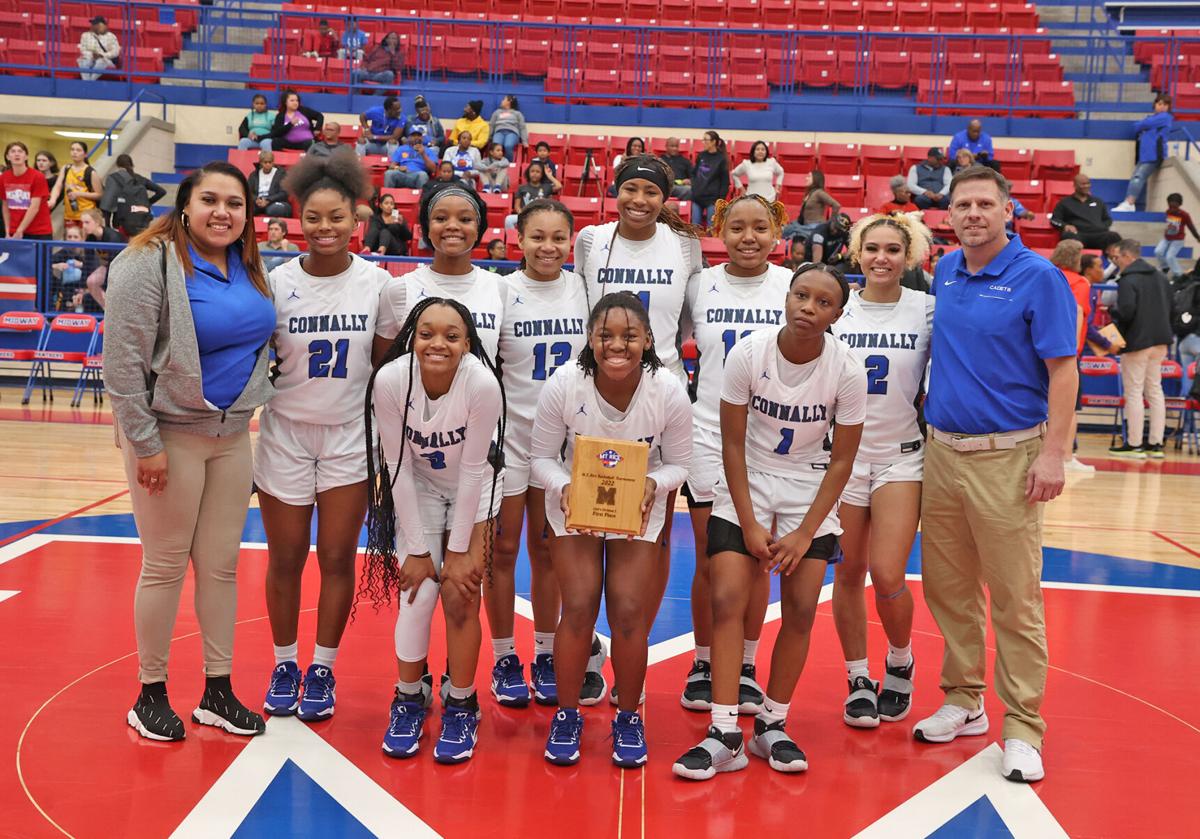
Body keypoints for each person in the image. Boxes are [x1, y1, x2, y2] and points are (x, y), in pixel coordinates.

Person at [914, 165, 1079, 784]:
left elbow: (1064, 371)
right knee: (947, 587)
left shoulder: (1039, 277)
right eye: (963, 205)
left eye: (986, 204)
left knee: (1014, 596)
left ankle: (1024, 726)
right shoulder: (948, 271)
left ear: (1009, 211)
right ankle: (964, 699)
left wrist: (1054, 453)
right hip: (942, 453)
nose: (973, 214)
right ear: (948, 214)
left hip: (1009, 456)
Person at [671, 263, 865, 781]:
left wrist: (805, 532)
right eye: (801, 295)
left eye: (823, 302)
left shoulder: (847, 369)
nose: (808, 307)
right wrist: (751, 522)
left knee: (801, 609)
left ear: (837, 314)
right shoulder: (749, 353)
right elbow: (731, 443)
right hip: (750, 475)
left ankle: (772, 724)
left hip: (809, 482)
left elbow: (843, 461)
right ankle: (724, 730)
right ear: (787, 297)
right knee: (728, 597)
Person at [104, 160, 276, 742]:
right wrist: (145, 443)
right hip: (169, 438)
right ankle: (149, 692)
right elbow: (122, 365)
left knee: (222, 568)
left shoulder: (250, 266)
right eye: (210, 199)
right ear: (185, 205)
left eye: (235, 202)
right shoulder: (145, 263)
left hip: (232, 438)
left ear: (248, 214)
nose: (222, 211)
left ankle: (217, 691)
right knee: (165, 565)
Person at [256, 149, 402, 724]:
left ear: (355, 222)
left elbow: (384, 366)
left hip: (347, 436)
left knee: (337, 555)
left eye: (336, 217)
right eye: (313, 218)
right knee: (286, 557)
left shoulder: (377, 285)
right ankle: (284, 662)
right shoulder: (274, 283)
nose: (324, 228)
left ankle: (322, 667)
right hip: (285, 433)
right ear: (298, 219)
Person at [533, 292, 692, 767]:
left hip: (638, 507)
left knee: (626, 612)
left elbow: (680, 463)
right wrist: (562, 485)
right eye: (606, 334)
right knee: (578, 606)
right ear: (590, 337)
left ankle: (627, 715)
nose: (616, 344)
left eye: (629, 335)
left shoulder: (666, 389)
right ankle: (567, 715)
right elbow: (540, 457)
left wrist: (651, 483)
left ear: (648, 340)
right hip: (573, 505)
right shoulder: (565, 382)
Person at [573, 155, 704, 704]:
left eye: (651, 191)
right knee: (579, 527)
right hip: (593, 393)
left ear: (665, 197)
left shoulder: (685, 246)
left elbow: (693, 324)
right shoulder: (589, 240)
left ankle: (633, 643)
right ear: (615, 191)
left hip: (660, 397)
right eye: (630, 189)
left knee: (650, 533)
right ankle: (585, 653)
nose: (639, 200)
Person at [365, 294, 505, 763]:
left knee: (461, 593)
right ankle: (408, 697)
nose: (437, 343)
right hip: (418, 483)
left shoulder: (482, 385)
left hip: (476, 486)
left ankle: (462, 703)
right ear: (411, 337)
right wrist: (421, 552)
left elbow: (471, 473)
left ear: (468, 344)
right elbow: (396, 466)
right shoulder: (390, 380)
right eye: (426, 333)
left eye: (451, 335)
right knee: (418, 590)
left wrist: (461, 549)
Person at [679, 195, 793, 716]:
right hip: (707, 432)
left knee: (758, 556)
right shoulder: (699, 284)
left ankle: (745, 663)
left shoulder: (792, 285)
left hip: (770, 439)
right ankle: (704, 661)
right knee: (712, 554)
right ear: (719, 231)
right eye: (738, 228)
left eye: (760, 228)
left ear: (777, 232)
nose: (749, 237)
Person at [829, 213, 934, 730]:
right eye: (872, 248)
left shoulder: (927, 309)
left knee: (888, 572)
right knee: (846, 573)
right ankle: (857, 678)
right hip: (844, 458)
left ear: (908, 256)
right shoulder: (837, 311)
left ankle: (900, 660)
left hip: (901, 454)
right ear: (857, 252)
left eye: (893, 249)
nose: (882, 258)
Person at [487, 199, 589, 709]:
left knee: (549, 553)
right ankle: (505, 655)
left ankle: (546, 651)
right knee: (501, 552)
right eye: (537, 237)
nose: (547, 247)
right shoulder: (502, 291)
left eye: (557, 237)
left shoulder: (583, 289)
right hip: (511, 441)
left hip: (567, 445)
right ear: (518, 241)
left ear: (570, 242)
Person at [397, 184, 500, 358]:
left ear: (478, 230)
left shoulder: (500, 288)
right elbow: (384, 360)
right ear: (427, 229)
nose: (452, 225)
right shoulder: (399, 289)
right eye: (441, 218)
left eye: (465, 219)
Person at [1107, 238, 1174, 459]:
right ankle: (1156, 444)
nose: (1117, 262)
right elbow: (1172, 307)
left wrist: (1112, 314)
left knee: (1134, 392)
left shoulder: (1128, 279)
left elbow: (1126, 311)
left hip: (1137, 342)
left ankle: (1134, 444)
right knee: (1155, 391)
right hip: (1161, 340)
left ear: (1127, 256)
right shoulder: (1161, 277)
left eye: (1118, 258)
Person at [1048, 239, 1102, 474]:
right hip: (1065, 353)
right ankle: (1067, 457)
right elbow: (1078, 312)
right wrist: (1072, 350)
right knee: (1069, 408)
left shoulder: (1048, 274)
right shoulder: (1080, 282)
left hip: (1040, 350)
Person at [1114, 94, 1174, 212]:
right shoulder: (1153, 119)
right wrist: (1145, 124)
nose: (1162, 107)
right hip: (1145, 155)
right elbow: (1136, 127)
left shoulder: (1165, 117)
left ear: (1168, 107)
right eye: (1159, 104)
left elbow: (1141, 125)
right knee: (1135, 177)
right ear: (1154, 105)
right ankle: (1128, 203)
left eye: (1165, 105)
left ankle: (1130, 203)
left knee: (1138, 177)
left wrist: (1145, 124)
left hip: (1155, 154)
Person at [100, 153, 166, 236]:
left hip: (121, 222)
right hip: (141, 221)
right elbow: (161, 191)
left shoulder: (114, 178)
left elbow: (107, 202)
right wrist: (147, 203)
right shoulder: (140, 179)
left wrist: (107, 225)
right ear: (131, 164)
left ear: (117, 165)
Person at [1, 141, 53, 240]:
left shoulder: (38, 177)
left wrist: (20, 230)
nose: (16, 154)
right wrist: (7, 231)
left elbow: (34, 207)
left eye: (20, 151)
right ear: (8, 156)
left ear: (26, 156)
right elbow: (5, 206)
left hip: (38, 231)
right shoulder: (4, 177)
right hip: (14, 231)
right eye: (13, 151)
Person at [1050, 173, 1116, 250]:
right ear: (1075, 185)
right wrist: (1065, 226)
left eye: (1088, 183)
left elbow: (1108, 219)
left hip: (1098, 234)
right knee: (1068, 236)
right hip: (1078, 234)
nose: (1086, 186)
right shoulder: (1065, 202)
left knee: (1113, 236)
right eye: (1083, 184)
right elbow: (1054, 220)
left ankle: (1112, 261)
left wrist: (1101, 226)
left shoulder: (1098, 201)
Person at [80, 208, 125, 309]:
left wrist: (106, 284)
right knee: (91, 281)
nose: (83, 226)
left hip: (124, 266)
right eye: (82, 223)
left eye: (87, 222)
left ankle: (116, 311)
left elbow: (116, 263)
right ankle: (107, 310)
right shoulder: (90, 238)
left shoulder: (112, 237)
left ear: (97, 223)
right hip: (110, 265)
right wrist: (81, 286)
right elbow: (87, 261)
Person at [784, 170, 840, 242]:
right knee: (785, 231)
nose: (806, 178)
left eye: (809, 176)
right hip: (803, 225)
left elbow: (836, 205)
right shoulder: (810, 193)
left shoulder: (819, 193)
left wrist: (831, 224)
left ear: (816, 179)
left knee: (794, 233)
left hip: (814, 226)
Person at [691, 131, 730, 228]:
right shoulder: (701, 156)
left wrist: (720, 201)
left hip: (712, 200)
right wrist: (694, 188)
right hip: (697, 197)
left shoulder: (721, 159)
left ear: (713, 142)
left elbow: (725, 182)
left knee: (711, 228)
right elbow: (695, 173)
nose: (703, 142)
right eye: (703, 139)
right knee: (694, 227)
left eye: (706, 140)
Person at [1156, 193, 1199, 277]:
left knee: (1170, 257)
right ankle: (1165, 267)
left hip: (1178, 240)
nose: (1172, 209)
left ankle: (1179, 275)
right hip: (1167, 238)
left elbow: (1191, 227)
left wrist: (1197, 237)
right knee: (1158, 251)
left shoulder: (1184, 215)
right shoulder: (1168, 212)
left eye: (1174, 207)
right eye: (1170, 206)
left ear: (1179, 205)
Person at [62, 141, 103, 228]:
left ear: (85, 154)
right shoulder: (66, 169)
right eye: (72, 149)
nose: (74, 152)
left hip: (86, 215)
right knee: (70, 240)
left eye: (78, 150)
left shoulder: (90, 172)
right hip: (69, 215)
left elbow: (99, 195)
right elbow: (58, 186)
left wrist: (78, 194)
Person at [505, 160, 557, 228]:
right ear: (528, 173)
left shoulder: (546, 187)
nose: (534, 173)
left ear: (542, 175)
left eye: (538, 172)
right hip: (525, 215)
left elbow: (559, 186)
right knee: (509, 219)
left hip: (540, 216)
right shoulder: (522, 187)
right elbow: (517, 206)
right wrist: (522, 214)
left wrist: (549, 175)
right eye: (532, 171)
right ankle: (513, 238)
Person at [364, 191, 413, 256]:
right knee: (374, 229)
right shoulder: (375, 218)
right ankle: (367, 249)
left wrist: (402, 225)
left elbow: (408, 237)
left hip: (396, 247)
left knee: (385, 232)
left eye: (391, 204)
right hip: (377, 245)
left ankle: (381, 252)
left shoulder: (398, 217)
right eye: (386, 203)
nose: (389, 206)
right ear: (381, 206)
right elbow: (373, 231)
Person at [248, 151, 290, 217]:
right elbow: (248, 192)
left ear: (273, 162)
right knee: (246, 209)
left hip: (274, 202)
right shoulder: (254, 175)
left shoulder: (281, 174)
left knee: (275, 210)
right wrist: (256, 199)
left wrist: (268, 200)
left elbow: (284, 193)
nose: (268, 164)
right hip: (258, 202)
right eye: (265, 162)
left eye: (270, 162)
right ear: (261, 163)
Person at [488, 95, 528, 163]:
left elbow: (522, 127)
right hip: (499, 132)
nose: (502, 101)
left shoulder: (517, 114)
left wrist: (525, 141)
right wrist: (489, 137)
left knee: (508, 145)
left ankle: (508, 164)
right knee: (496, 145)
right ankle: (496, 164)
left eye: (504, 99)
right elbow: (491, 125)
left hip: (512, 133)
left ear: (509, 101)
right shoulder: (497, 112)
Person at [78, 15, 119, 80]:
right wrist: (92, 55)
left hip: (106, 59)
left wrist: (102, 55)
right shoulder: (85, 35)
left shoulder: (111, 36)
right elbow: (82, 49)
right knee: (83, 61)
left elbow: (115, 52)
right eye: (93, 24)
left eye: (96, 24)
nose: (93, 25)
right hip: (90, 57)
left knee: (101, 61)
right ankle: (88, 81)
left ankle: (88, 82)